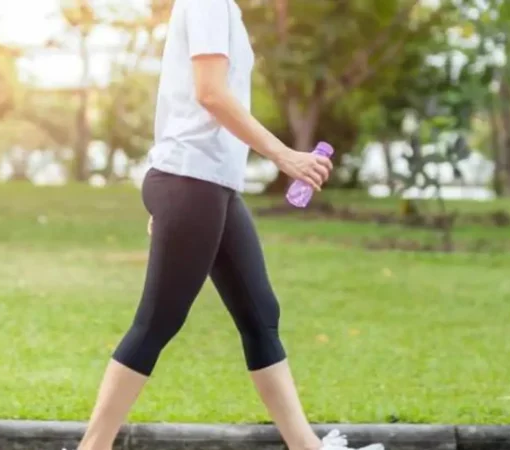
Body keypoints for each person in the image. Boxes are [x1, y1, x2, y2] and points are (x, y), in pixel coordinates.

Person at [73, 0, 384, 449]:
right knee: (157, 323)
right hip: (192, 182)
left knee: (261, 315)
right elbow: (211, 94)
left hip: (208, 185)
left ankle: (306, 448)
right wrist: (284, 155)